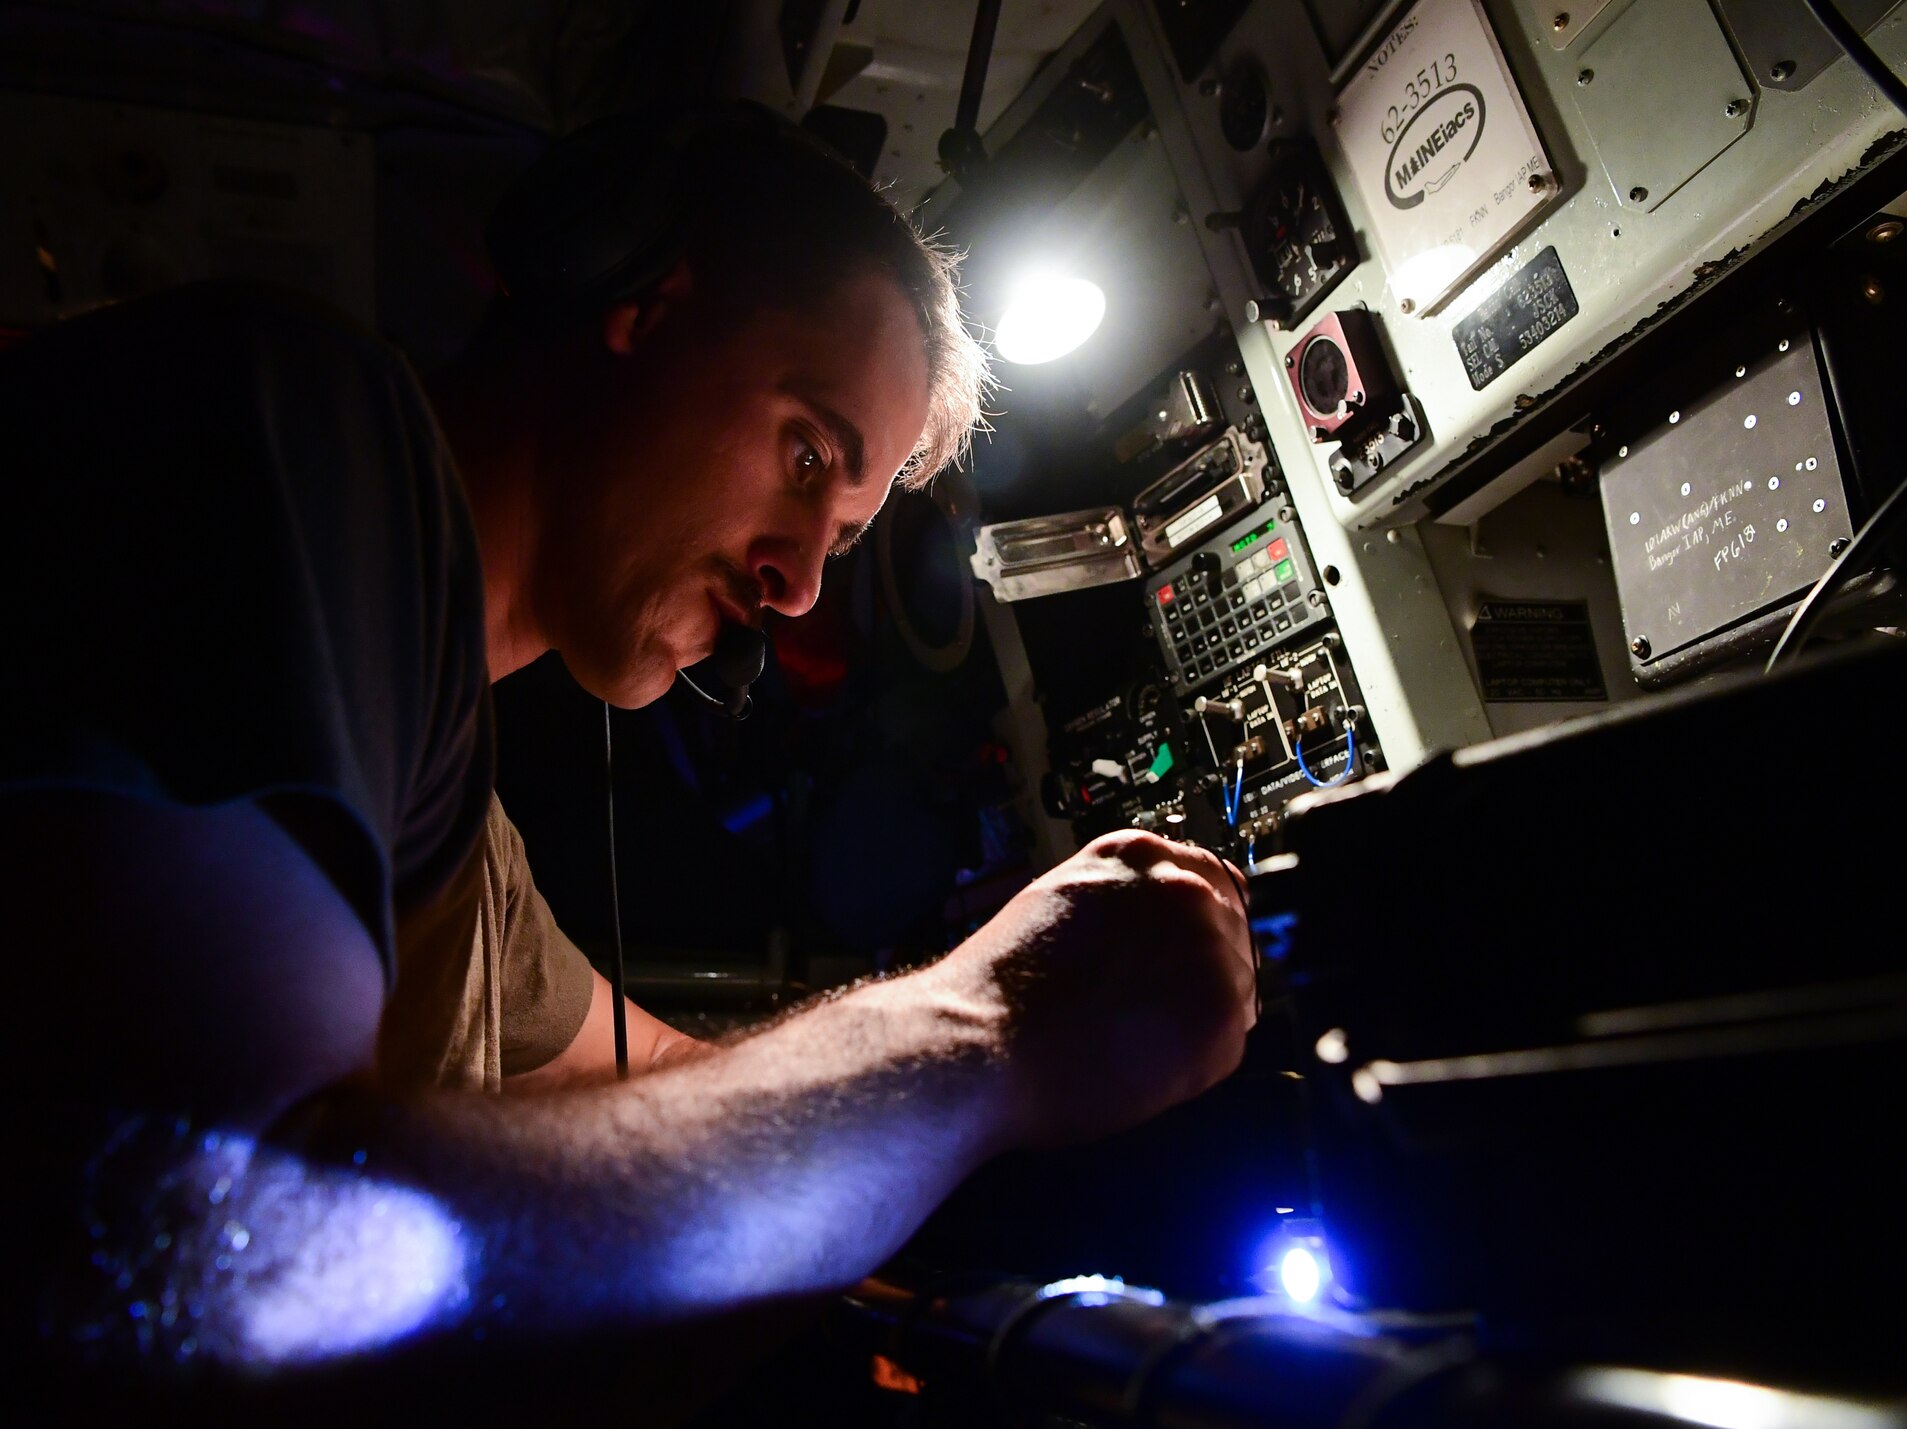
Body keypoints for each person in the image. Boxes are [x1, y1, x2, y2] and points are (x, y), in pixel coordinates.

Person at [0, 111, 1255, 1393]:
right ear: (644, 303)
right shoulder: (300, 425)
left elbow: (659, 1071)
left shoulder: (457, 831)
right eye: (805, 453)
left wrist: (998, 1130)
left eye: (842, 530)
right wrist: (978, 1027)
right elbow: (210, 1243)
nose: (801, 588)